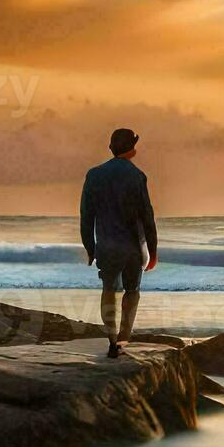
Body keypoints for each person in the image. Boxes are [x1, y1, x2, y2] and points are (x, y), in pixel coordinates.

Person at [80, 128, 158, 358]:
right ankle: (124, 339)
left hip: (106, 245)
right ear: (131, 148)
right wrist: (152, 251)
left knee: (108, 290)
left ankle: (112, 340)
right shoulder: (137, 176)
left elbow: (86, 215)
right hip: (133, 247)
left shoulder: (94, 175)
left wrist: (89, 247)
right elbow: (147, 217)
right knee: (132, 291)